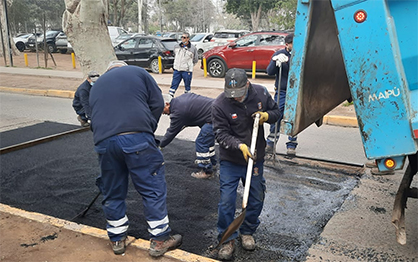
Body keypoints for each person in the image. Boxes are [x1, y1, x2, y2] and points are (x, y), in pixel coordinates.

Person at [89, 60, 182, 257]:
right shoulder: (138, 72)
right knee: (152, 188)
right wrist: (147, 129)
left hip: (104, 144)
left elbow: (93, 117)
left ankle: (117, 238)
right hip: (136, 139)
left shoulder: (95, 85)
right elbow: (157, 103)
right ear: (123, 67)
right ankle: (159, 239)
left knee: (112, 191)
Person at [211, 68, 280, 260]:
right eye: (232, 95)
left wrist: (266, 116)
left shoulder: (261, 93)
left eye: (240, 94)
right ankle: (227, 238)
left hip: (255, 158)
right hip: (231, 160)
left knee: (256, 197)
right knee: (226, 201)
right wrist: (239, 145)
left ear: (247, 84)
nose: (236, 98)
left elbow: (276, 112)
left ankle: (247, 231)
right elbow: (220, 134)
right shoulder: (220, 104)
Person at [160, 93, 217, 179]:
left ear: (167, 104)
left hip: (214, 118)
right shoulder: (180, 100)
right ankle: (213, 163)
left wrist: (161, 145)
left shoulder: (177, 112)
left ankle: (207, 171)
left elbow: (171, 132)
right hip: (216, 113)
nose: (163, 113)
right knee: (207, 140)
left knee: (201, 142)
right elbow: (196, 114)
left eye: (162, 110)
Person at [265, 33, 297, 156]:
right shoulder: (279, 54)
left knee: (293, 118)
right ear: (287, 44)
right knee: (276, 115)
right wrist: (276, 61)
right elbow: (270, 72)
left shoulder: (300, 55)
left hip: (295, 91)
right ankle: (271, 143)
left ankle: (291, 145)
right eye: (293, 44)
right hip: (282, 92)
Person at [168, 32, 198, 97]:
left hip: (186, 71)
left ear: (188, 38)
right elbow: (175, 55)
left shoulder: (193, 48)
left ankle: (187, 99)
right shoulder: (176, 46)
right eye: (182, 37)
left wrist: (189, 66)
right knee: (173, 85)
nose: (183, 39)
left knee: (187, 87)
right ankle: (170, 98)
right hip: (177, 70)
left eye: (184, 37)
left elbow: (195, 59)